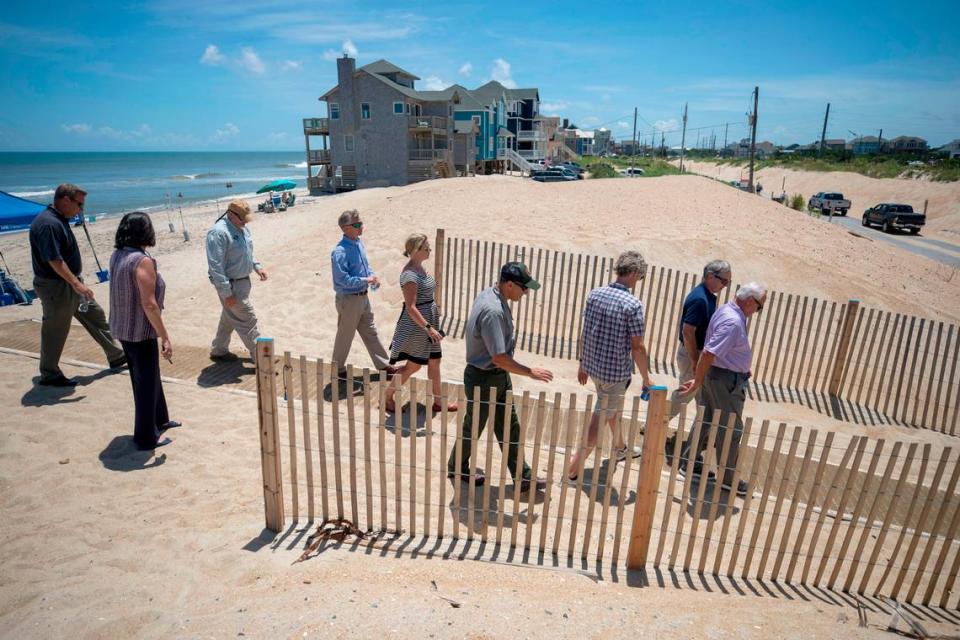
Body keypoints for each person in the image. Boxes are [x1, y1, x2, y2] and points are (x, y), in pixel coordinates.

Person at [446, 262, 552, 491]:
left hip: (497, 375)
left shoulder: (492, 293)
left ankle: (522, 476)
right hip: (484, 377)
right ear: (510, 284)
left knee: (509, 426)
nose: (526, 292)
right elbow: (499, 357)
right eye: (524, 288)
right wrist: (529, 372)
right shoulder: (493, 311)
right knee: (474, 426)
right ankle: (456, 467)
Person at [29, 183, 127, 386]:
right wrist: (76, 284)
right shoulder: (48, 224)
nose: (81, 210)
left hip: (71, 283)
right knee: (55, 329)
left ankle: (116, 355)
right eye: (79, 205)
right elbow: (54, 260)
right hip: (57, 286)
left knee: (96, 316)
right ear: (65, 200)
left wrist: (77, 283)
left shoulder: (60, 220)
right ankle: (50, 374)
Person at [567, 251, 653, 482]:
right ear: (634, 273)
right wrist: (646, 378)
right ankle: (572, 470)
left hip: (594, 368)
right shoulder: (633, 304)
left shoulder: (595, 294)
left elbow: (586, 332)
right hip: (615, 374)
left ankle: (621, 447)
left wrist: (583, 363)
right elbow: (638, 347)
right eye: (640, 276)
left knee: (607, 407)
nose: (638, 281)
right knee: (599, 420)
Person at [678, 282, 767, 497]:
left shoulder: (727, 309)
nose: (758, 311)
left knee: (706, 419)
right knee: (730, 429)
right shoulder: (733, 322)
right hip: (724, 381)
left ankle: (689, 463)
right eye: (759, 306)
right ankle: (728, 480)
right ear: (748, 300)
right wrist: (698, 381)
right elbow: (709, 353)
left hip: (716, 375)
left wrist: (741, 365)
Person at [108, 212, 181, 450]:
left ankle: (160, 420)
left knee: (148, 377)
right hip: (139, 330)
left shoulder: (118, 255)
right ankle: (146, 437)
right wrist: (165, 336)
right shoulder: (141, 260)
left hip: (122, 327)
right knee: (146, 383)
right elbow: (149, 303)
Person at [383, 233, 458, 414]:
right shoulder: (409, 274)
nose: (429, 250)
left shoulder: (420, 268)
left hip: (429, 319)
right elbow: (410, 307)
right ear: (416, 250)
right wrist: (428, 328)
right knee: (413, 366)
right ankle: (387, 396)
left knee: (434, 362)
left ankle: (439, 402)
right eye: (426, 248)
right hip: (418, 325)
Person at [330, 209, 398, 381]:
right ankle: (337, 369)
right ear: (345, 229)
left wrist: (372, 278)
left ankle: (384, 365)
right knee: (345, 335)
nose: (362, 227)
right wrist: (366, 279)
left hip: (363, 297)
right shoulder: (340, 252)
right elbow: (342, 280)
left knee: (370, 331)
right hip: (349, 299)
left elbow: (366, 267)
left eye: (361, 223)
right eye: (357, 224)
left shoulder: (359, 243)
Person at [668, 260, 731, 419]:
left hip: (696, 353)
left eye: (728, 282)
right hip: (692, 353)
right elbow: (688, 332)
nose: (725, 285)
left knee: (701, 396)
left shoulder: (708, 296)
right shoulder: (700, 299)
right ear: (710, 276)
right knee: (687, 392)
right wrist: (696, 360)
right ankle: (656, 422)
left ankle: (701, 432)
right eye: (723, 281)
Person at [206, 199, 267, 361]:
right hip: (231, 285)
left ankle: (219, 349)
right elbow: (215, 266)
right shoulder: (218, 233)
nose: (245, 222)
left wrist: (257, 266)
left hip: (244, 281)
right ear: (231, 215)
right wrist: (226, 293)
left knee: (229, 316)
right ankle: (261, 357)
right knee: (248, 319)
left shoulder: (243, 229)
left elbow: (248, 252)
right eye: (242, 218)